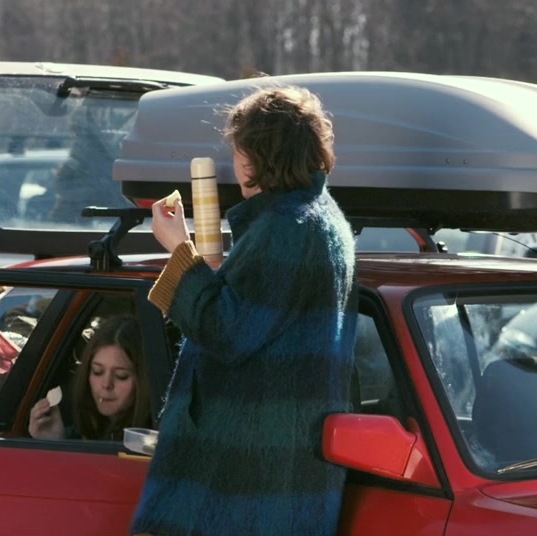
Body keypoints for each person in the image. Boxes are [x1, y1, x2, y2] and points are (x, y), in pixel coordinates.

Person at [130, 86, 358, 536]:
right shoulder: (321, 217)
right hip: (278, 471)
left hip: (245, 481)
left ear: (254, 156)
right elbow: (258, 319)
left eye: (237, 150)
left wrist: (179, 250)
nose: (233, 162)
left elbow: (226, 330)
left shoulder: (288, 226)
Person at [28, 316, 152, 441]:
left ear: (143, 379)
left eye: (121, 376)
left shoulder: (152, 440)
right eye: (97, 372)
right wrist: (55, 440)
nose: (106, 384)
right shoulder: (79, 428)